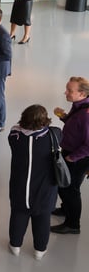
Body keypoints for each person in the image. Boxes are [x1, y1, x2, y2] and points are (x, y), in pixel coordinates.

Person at [8, 105, 60, 260]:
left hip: (20, 186)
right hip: (45, 187)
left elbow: (15, 128)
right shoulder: (54, 134)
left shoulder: (15, 136)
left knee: (18, 215)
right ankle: (39, 250)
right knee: (43, 218)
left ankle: (15, 245)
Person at [51, 76, 89, 235]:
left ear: (82, 94)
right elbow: (76, 126)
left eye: (69, 90)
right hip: (70, 152)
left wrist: (71, 158)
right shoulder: (79, 106)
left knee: (70, 189)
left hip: (78, 157)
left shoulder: (87, 114)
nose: (65, 92)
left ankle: (73, 225)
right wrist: (65, 117)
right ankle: (66, 209)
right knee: (64, 184)